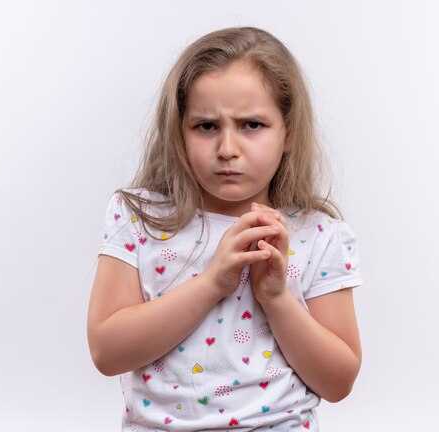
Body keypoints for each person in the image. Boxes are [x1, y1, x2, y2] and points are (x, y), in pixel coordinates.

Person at [87, 26, 364, 431]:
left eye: (252, 125)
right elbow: (106, 352)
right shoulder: (139, 218)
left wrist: (276, 297)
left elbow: (338, 381)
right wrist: (213, 282)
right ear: (179, 132)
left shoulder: (318, 235)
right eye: (206, 126)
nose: (227, 148)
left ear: (288, 132)